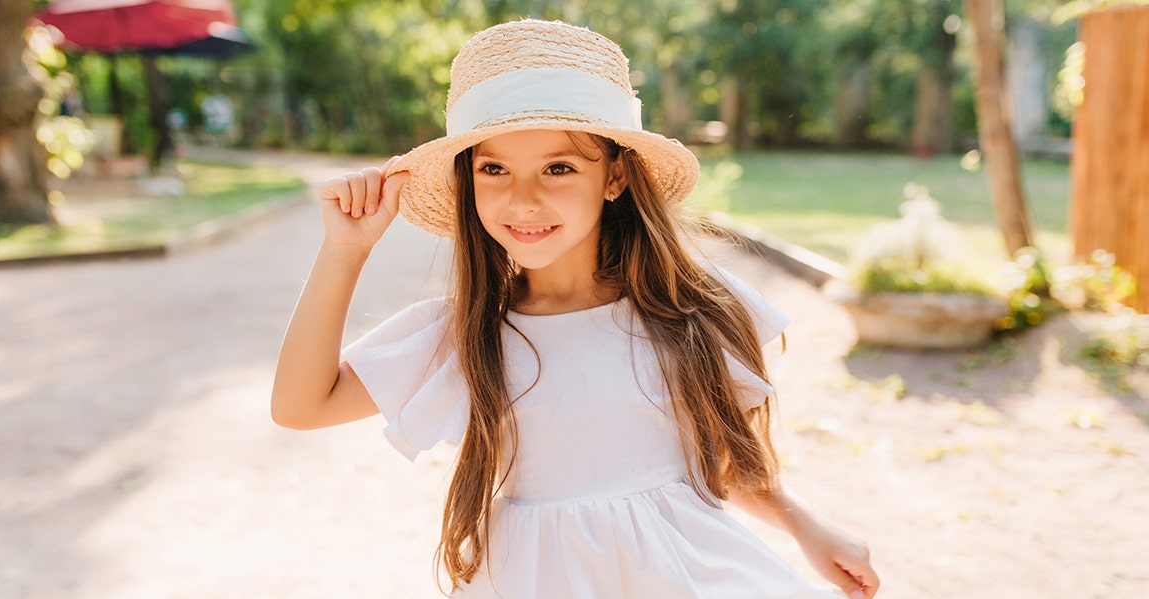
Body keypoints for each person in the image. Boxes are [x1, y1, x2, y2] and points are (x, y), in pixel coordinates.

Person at [272, 19, 878, 599]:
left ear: (614, 176)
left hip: (684, 573)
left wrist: (807, 528)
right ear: (469, 181)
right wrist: (345, 252)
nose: (523, 198)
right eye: (494, 169)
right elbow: (301, 406)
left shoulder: (684, 309)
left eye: (558, 167)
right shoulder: (464, 334)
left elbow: (723, 458)